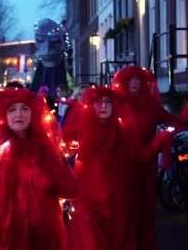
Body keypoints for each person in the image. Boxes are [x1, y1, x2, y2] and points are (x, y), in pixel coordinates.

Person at [67, 86, 174, 250]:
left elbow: (142, 156)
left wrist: (161, 139)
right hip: (89, 205)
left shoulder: (124, 131)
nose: (103, 106)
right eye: (98, 102)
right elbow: (61, 154)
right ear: (91, 105)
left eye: (107, 102)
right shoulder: (81, 131)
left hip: (119, 205)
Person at [111, 66, 188, 249]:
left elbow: (177, 122)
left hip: (147, 163)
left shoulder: (151, 105)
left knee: (145, 209)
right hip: (123, 164)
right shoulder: (117, 104)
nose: (135, 82)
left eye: (138, 79)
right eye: (131, 79)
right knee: (125, 210)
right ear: (124, 82)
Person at [0, 87, 78, 250]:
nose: (19, 114)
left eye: (25, 109)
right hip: (7, 235)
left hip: (44, 234)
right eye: (12, 109)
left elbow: (71, 190)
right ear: (5, 115)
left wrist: (50, 183)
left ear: (32, 114)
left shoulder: (47, 149)